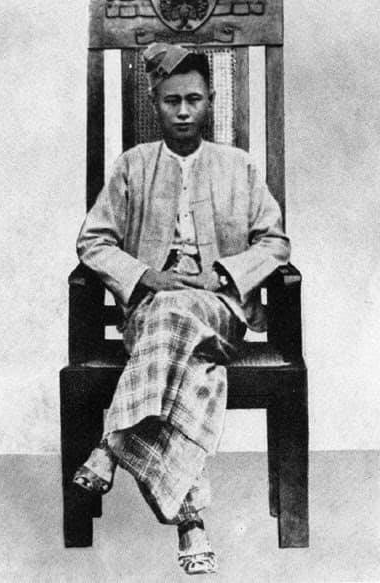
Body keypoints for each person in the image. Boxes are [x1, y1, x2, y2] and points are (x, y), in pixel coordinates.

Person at [73, 42, 290, 575]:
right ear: (155, 103)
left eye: (194, 99)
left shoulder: (239, 167)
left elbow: (275, 243)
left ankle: (113, 444)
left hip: (218, 310)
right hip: (151, 315)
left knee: (178, 318)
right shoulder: (133, 167)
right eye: (172, 101)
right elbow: (93, 241)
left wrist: (223, 275)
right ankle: (190, 522)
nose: (185, 111)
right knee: (190, 356)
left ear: (210, 100)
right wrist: (146, 276)